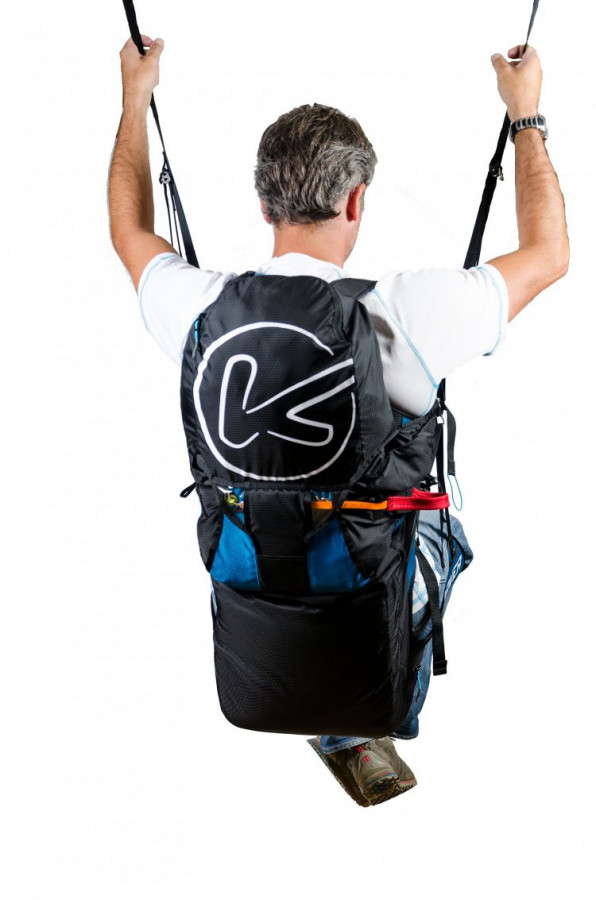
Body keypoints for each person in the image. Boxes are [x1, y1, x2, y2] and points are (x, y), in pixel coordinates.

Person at [108, 35, 569, 807]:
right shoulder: (404, 313)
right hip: (366, 614)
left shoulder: (195, 308)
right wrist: (525, 116)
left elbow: (127, 232)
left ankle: (319, 695)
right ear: (356, 202)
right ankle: (351, 722)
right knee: (444, 521)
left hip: (251, 603)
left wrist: (134, 98)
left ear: (264, 207)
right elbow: (549, 254)